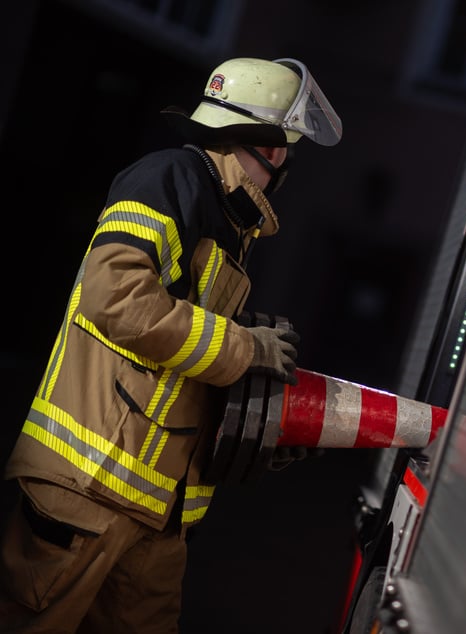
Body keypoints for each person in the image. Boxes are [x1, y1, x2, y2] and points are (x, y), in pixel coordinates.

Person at [0, 56, 342, 633]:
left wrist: (260, 428)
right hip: (90, 490)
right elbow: (115, 299)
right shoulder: (166, 181)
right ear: (266, 145)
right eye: (283, 148)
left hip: (157, 513)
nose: (282, 167)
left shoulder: (226, 218)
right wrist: (245, 347)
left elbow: (179, 369)